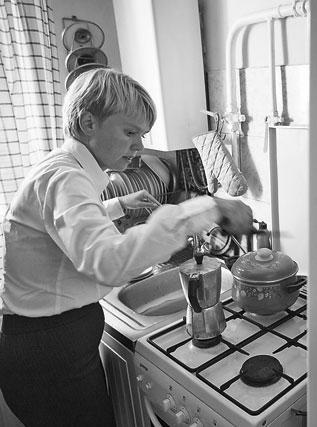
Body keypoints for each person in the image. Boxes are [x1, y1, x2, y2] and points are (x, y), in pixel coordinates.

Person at [0, 68, 253, 426]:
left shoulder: (61, 169)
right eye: (130, 132)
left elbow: (59, 226)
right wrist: (209, 208)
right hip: (51, 352)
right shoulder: (66, 178)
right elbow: (109, 262)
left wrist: (117, 206)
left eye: (142, 135)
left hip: (47, 343)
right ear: (88, 122)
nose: (139, 146)